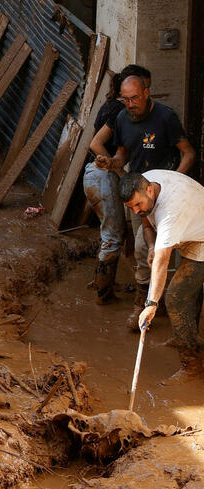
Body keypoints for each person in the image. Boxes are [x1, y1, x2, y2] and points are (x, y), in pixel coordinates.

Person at [89, 68, 195, 329]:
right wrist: (112, 162)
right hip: (140, 196)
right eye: (125, 99)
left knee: (169, 250)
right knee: (143, 249)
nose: (130, 104)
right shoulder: (123, 118)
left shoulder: (165, 118)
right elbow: (123, 154)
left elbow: (189, 154)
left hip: (165, 196)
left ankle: (164, 304)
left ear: (147, 93)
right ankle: (146, 301)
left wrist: (174, 183)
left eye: (134, 98)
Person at [120, 169, 204, 379]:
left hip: (201, 239)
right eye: (131, 207)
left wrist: (151, 305)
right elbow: (147, 223)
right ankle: (185, 335)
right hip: (192, 224)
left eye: (138, 205)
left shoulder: (170, 212)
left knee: (175, 297)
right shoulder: (145, 184)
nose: (136, 210)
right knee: (186, 293)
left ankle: (192, 364)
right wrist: (150, 247)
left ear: (149, 190)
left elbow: (162, 260)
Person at [83, 66, 146, 305]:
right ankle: (103, 295)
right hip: (102, 176)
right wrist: (120, 172)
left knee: (110, 234)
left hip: (95, 175)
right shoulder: (120, 111)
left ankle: (103, 283)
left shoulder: (111, 105)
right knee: (113, 236)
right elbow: (95, 143)